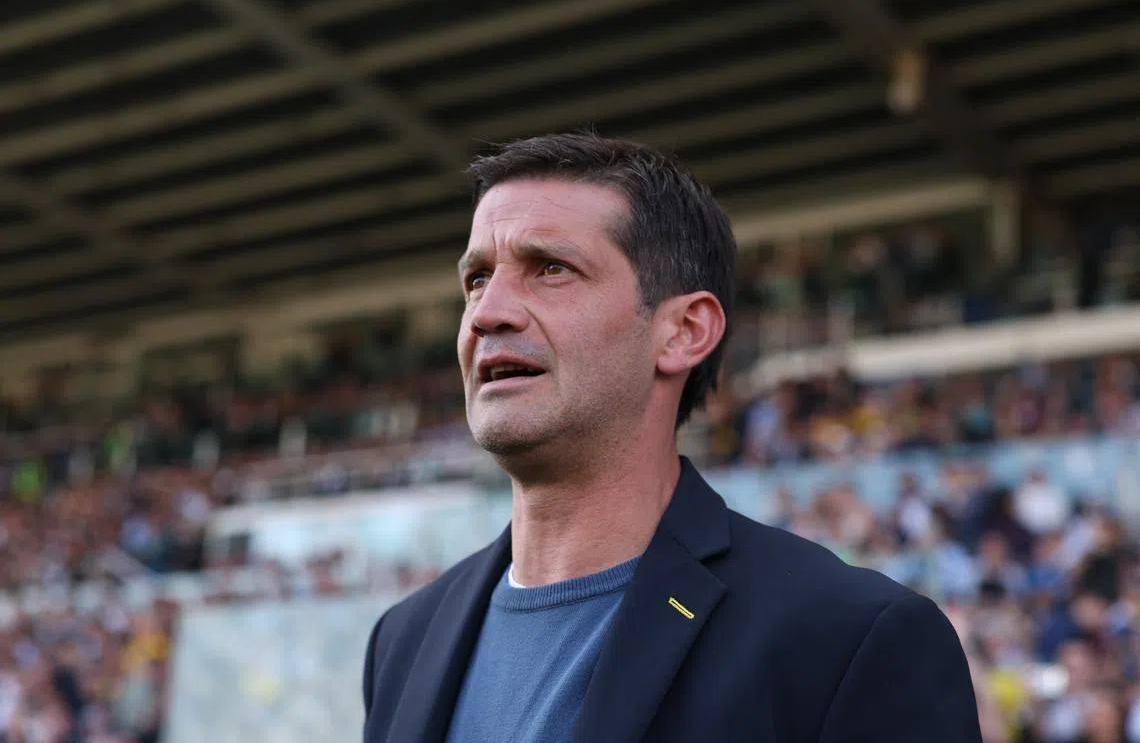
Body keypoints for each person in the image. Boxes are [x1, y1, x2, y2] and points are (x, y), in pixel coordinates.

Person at [361, 132, 982, 742]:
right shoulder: (404, 641)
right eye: (476, 279)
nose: (487, 313)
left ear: (684, 331)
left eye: (550, 268)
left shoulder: (847, 639)